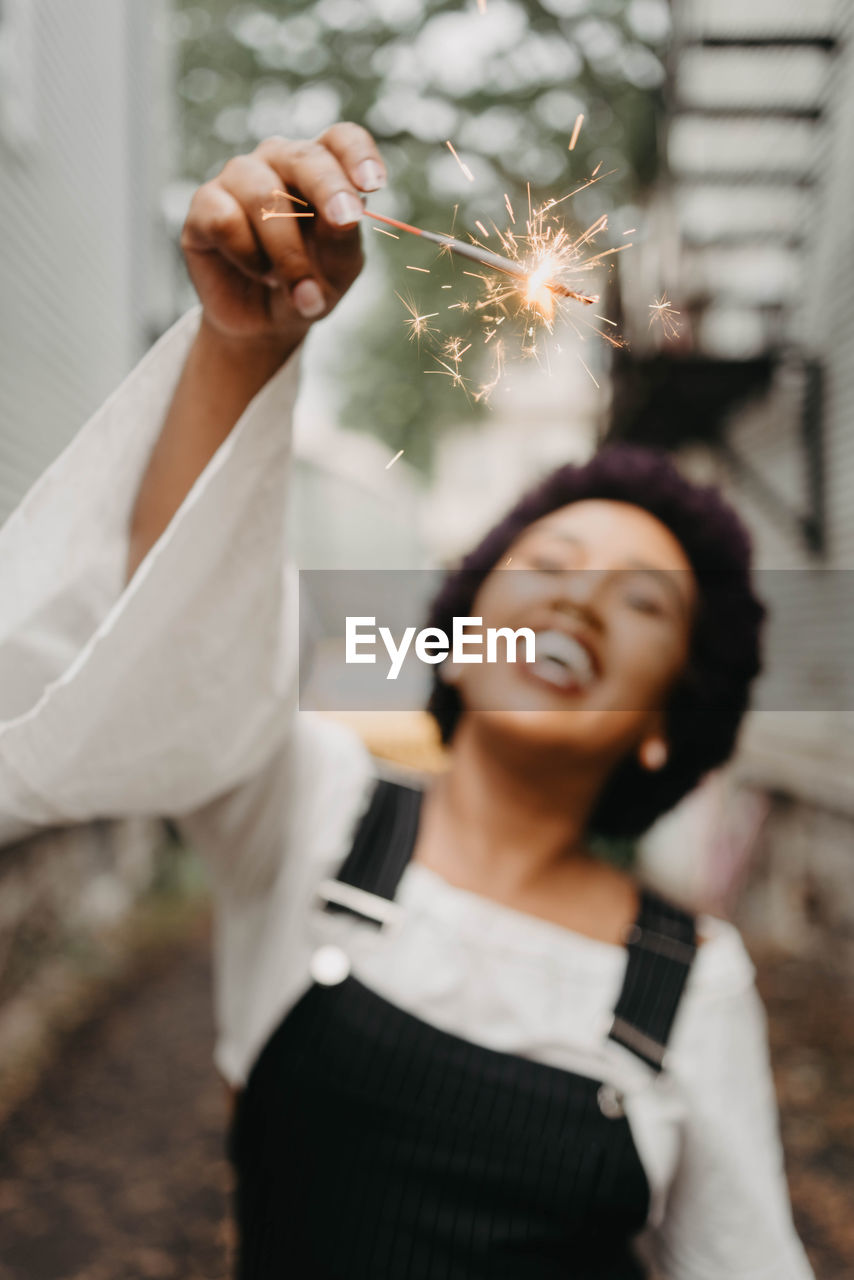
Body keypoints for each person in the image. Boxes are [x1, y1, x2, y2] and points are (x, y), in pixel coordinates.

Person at [0, 124, 814, 1279]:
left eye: (638, 604)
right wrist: (244, 349)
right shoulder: (313, 804)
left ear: (659, 724)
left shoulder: (694, 982)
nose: (576, 604)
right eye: (548, 567)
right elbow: (167, 656)